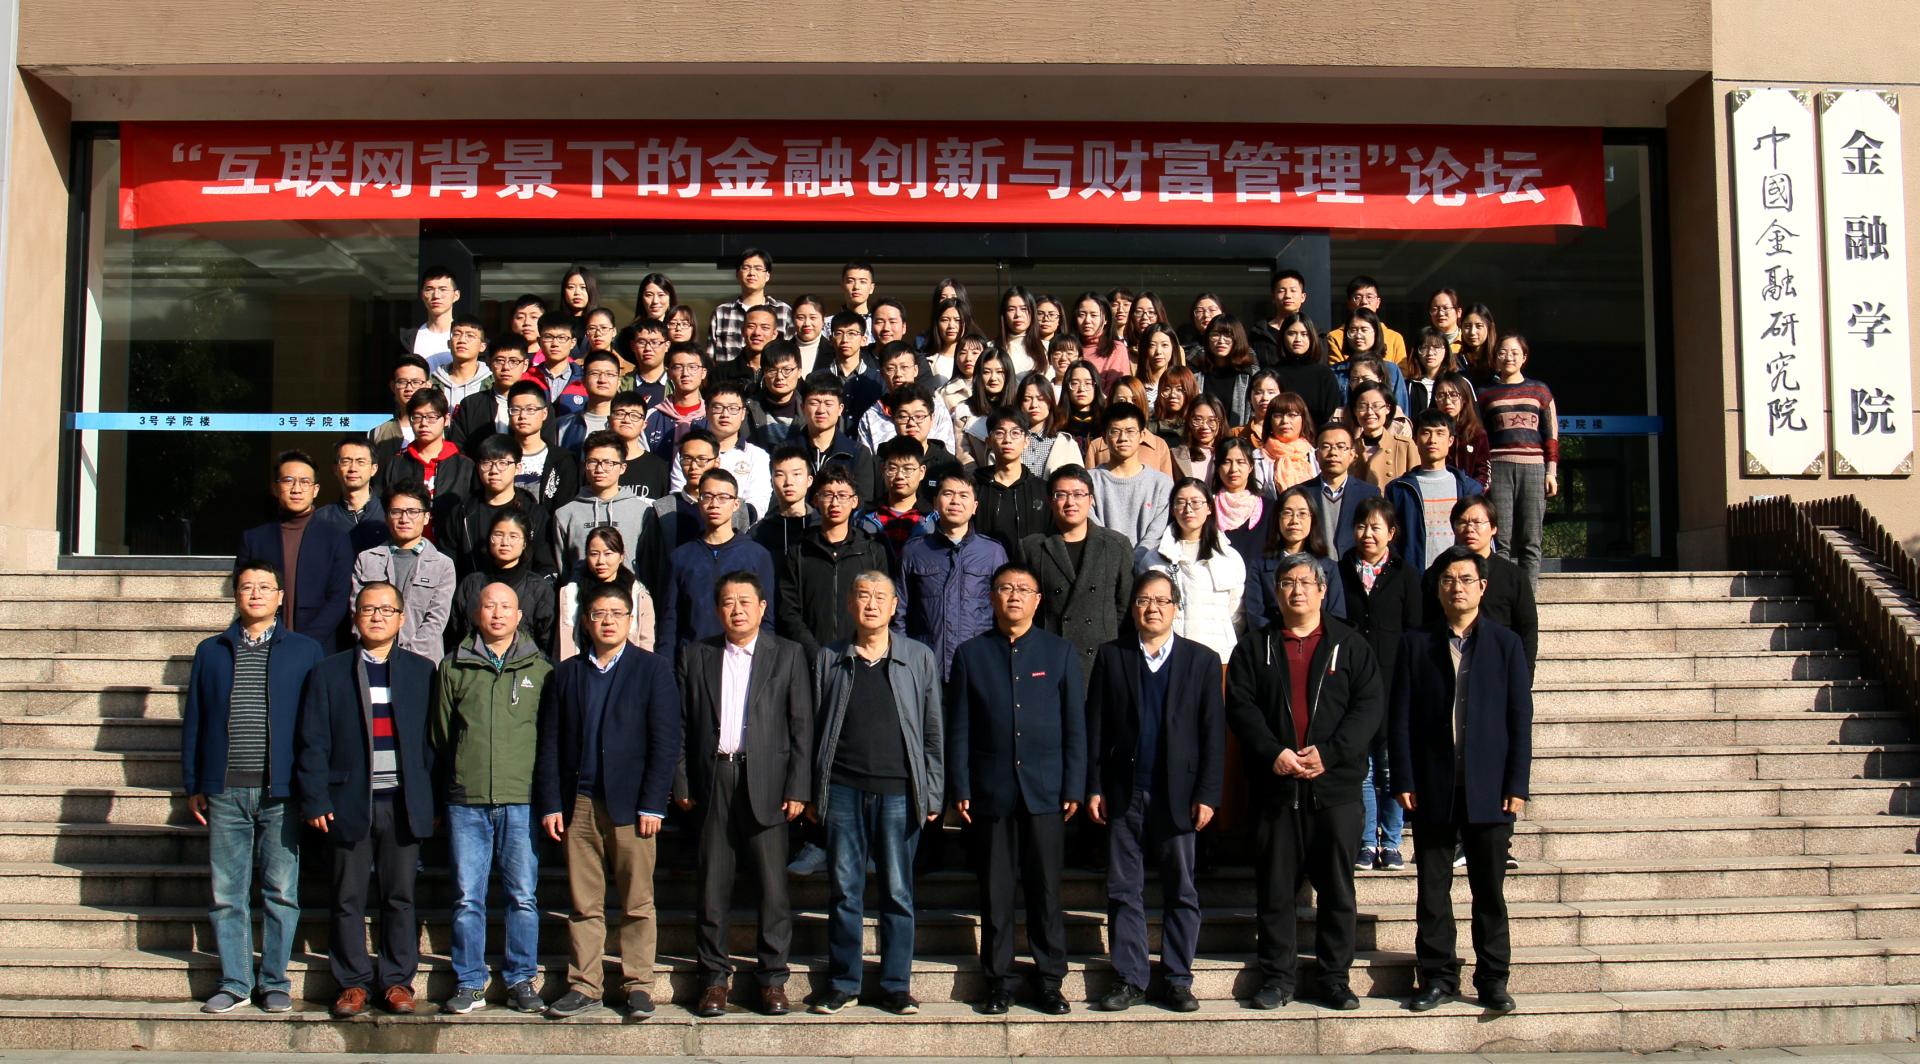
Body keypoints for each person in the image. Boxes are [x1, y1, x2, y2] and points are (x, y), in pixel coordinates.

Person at [1226, 551, 1384, 1011]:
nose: (1296, 591)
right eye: (1287, 583)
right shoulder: (1255, 647)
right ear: (1276, 592)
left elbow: (1368, 708)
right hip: (1276, 791)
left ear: (1322, 590)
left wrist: (1329, 755)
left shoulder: (1349, 645)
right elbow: (1241, 707)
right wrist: (1272, 752)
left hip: (1335, 791)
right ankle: (1278, 978)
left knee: (1337, 890)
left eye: (1305, 583)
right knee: (1276, 891)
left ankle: (1335, 978)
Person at [181, 560, 325, 1015]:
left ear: (281, 597)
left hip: (281, 792)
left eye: (265, 587)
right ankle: (235, 981)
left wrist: (312, 787)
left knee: (281, 892)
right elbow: (195, 719)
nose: (256, 594)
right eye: (247, 587)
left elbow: (316, 725)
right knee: (228, 894)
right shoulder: (211, 651)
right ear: (236, 595)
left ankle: (275, 981)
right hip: (224, 790)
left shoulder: (305, 650)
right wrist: (194, 781)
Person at [1393, 547, 1533, 1014]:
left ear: (1483, 587)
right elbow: (1401, 718)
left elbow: (1519, 719)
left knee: (1488, 891)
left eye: (1466, 579)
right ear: (1438, 589)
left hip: (1490, 788)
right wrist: (1404, 777)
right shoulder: (1416, 644)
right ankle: (1437, 976)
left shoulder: (1506, 645)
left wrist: (1517, 783)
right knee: (1432, 890)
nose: (1457, 587)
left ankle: (1493, 979)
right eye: (1449, 579)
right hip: (1433, 786)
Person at [535, 582, 682, 1020]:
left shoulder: (652, 669)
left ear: (630, 620)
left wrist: (654, 802)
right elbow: (550, 743)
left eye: (617, 613)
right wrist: (551, 802)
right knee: (584, 904)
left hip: (633, 805)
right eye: (599, 613)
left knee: (637, 902)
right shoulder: (565, 674)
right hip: (579, 803)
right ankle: (585, 984)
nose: (608, 621)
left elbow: (665, 741)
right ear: (585, 620)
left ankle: (638, 985)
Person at [945, 562, 1086, 1015]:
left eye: (1024, 589)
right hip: (991, 791)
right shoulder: (970, 654)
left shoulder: (1059, 652)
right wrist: (960, 784)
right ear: (992, 597)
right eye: (1005, 588)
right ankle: (999, 980)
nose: (1014, 596)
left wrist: (1074, 784)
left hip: (1046, 790)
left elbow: (1074, 726)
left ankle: (1050, 980)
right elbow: (959, 727)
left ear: (1037, 600)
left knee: (1046, 890)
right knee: (996, 891)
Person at [1086, 570, 1225, 1013]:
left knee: (1181, 888)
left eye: (1162, 601)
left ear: (1175, 608)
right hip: (1124, 791)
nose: (1153, 608)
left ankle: (1178, 978)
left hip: (1178, 794)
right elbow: (1096, 727)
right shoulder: (1112, 656)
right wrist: (1094, 786)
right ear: (1133, 609)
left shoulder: (1201, 661)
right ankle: (1130, 978)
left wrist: (1208, 793)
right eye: (1144, 600)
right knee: (1123, 888)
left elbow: (1213, 734)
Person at [805, 573, 944, 1016]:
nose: (871, 604)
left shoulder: (918, 657)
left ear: (894, 606)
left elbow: (932, 732)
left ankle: (895, 985)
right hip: (843, 789)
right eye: (863, 596)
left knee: (897, 892)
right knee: (844, 890)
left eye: (880, 597)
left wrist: (933, 792)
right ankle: (843, 983)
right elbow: (813, 728)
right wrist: (812, 791)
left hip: (899, 791)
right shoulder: (830, 657)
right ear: (850, 604)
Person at [296, 580, 436, 1018]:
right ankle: (352, 983)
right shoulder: (328, 671)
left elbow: (433, 744)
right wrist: (316, 798)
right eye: (369, 609)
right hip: (348, 801)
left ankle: (397, 982)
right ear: (355, 617)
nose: (377, 616)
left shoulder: (421, 671)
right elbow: (312, 740)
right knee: (347, 897)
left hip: (402, 803)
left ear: (401, 618)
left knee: (400, 897)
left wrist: (430, 799)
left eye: (386, 609)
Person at [678, 572, 814, 1018]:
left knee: (773, 889)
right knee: (712, 887)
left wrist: (798, 787)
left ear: (762, 607)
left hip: (769, 783)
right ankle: (714, 980)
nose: (737, 610)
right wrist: (681, 782)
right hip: (714, 777)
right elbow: (680, 725)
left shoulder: (787, 654)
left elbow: (801, 726)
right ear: (718, 610)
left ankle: (772, 980)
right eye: (728, 602)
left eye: (745, 601)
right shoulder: (697, 654)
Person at [432, 582, 553, 1016]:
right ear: (476, 613)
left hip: (521, 798)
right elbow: (442, 734)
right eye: (489, 606)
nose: (498, 614)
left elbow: (548, 737)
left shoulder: (541, 669)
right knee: (468, 896)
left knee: (522, 895)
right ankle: (469, 981)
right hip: (467, 800)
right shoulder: (453, 666)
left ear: (519, 616)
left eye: (506, 607)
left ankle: (521, 978)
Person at [1338, 498, 1423, 872]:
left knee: (1389, 766)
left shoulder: (1406, 574)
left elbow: (1415, 631)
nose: (1367, 534)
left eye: (1376, 527)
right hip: (1352, 683)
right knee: (1362, 767)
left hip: (1393, 683)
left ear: (1392, 532)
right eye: (1361, 526)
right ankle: (1366, 841)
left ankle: (1390, 841)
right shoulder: (1340, 570)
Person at [1021, 466, 1134, 679]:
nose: (1070, 502)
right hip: (1049, 654)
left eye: (1078, 494)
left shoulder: (1116, 545)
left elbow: (1124, 606)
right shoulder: (1031, 547)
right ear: (1050, 501)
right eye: (1061, 495)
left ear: (1091, 499)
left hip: (1102, 657)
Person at [238, 450, 354, 654]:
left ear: (315, 490)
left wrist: (304, 644)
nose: (296, 489)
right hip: (263, 645)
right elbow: (243, 590)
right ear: (275, 488)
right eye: (288, 481)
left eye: (304, 482)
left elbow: (339, 598)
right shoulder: (254, 539)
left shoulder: (336, 539)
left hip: (318, 647)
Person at [776, 465, 897, 661]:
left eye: (842, 495)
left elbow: (883, 605)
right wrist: (815, 653)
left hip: (861, 657)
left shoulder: (871, 551)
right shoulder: (799, 551)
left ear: (854, 501)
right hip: (809, 659)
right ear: (816, 500)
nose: (835, 503)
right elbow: (789, 610)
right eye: (827, 495)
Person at [900, 470, 1007, 677]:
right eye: (948, 494)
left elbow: (1003, 611)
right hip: (926, 666)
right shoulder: (914, 551)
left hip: (979, 665)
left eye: (963, 495)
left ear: (975, 506)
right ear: (935, 502)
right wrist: (905, 659)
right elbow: (900, 610)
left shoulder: (993, 552)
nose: (955, 501)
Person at [660, 469, 778, 654]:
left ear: (736, 504)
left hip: (743, 658)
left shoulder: (756, 554)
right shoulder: (681, 557)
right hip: (693, 660)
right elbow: (669, 622)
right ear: (699, 502)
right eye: (707, 497)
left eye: (723, 497)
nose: (714, 504)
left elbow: (767, 619)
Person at [1135, 477, 1246, 663]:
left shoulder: (1229, 557)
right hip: (1168, 657)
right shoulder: (1154, 559)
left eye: (1196, 502)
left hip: (1219, 655)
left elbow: (1236, 613)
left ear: (1209, 507)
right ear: (1172, 509)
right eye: (1180, 502)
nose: (1188, 509)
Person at [1479, 335, 1559, 589]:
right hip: (1498, 467)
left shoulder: (1540, 390)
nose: (1509, 357)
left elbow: (1551, 434)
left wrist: (1551, 471)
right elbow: (1481, 437)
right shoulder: (1484, 393)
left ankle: (1528, 599)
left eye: (1515, 352)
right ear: (1495, 357)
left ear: (1524, 357)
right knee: (1500, 540)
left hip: (1534, 468)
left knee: (1531, 540)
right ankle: (1501, 597)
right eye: (1503, 352)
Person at [1433, 495, 1540, 674]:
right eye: (1462, 522)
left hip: (1498, 666)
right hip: (1446, 666)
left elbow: (1527, 629)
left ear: (1493, 528)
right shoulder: (1438, 572)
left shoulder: (1513, 576)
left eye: (1477, 522)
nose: (1469, 529)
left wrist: (1525, 675)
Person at [350, 481, 457, 659]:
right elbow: (357, 611)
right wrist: (378, 651)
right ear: (386, 517)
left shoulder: (442, 565)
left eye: (413, 512)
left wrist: (406, 658)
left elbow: (436, 620)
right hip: (373, 656)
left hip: (422, 661)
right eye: (396, 512)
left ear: (426, 517)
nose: (404, 519)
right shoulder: (367, 559)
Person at [551, 431, 661, 582]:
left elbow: (650, 566)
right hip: (582, 594)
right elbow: (563, 569)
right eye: (593, 462)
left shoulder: (643, 512)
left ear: (622, 468)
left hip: (628, 593)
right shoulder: (566, 514)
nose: (599, 469)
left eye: (608, 463)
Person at [1386, 409, 1483, 576]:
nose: (1432, 440)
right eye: (1426, 433)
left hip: (1459, 578)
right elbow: (1392, 541)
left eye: (1440, 433)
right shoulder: (1399, 490)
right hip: (1414, 579)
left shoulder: (1469, 489)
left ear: (1451, 440)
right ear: (1415, 439)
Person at [451, 507, 558, 655]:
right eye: (498, 535)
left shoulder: (538, 589)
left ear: (525, 543)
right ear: (489, 539)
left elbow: (546, 642)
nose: (505, 542)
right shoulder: (471, 584)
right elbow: (456, 633)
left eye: (513, 536)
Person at [668, 380, 772, 520]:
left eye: (733, 409)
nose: (725, 414)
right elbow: (678, 494)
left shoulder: (758, 456)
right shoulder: (689, 452)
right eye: (717, 408)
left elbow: (758, 503)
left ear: (743, 413)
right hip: (689, 524)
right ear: (706, 411)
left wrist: (724, 523)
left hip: (739, 529)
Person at [1247, 485, 1348, 628]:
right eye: (1288, 513)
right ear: (1277, 518)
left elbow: (1337, 617)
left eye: (1302, 514)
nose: (1295, 520)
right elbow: (1256, 617)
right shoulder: (1260, 567)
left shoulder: (1329, 567)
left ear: (1313, 518)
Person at [554, 524, 655, 659]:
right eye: (594, 554)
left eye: (608, 554)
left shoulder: (638, 595)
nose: (601, 561)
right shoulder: (571, 595)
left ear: (621, 556)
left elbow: (646, 642)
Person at [381, 388, 475, 524]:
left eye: (431, 417)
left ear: (446, 419)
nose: (423, 423)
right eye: (417, 417)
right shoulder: (396, 464)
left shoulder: (465, 466)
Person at [1087, 403, 1173, 551]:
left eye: (1130, 431)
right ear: (1104, 437)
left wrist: (1138, 559)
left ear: (1142, 436)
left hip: (1148, 562)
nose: (1123, 438)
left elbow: (1156, 534)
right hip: (1104, 560)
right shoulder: (1089, 481)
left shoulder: (1161, 484)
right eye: (1115, 431)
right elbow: (1094, 529)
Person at [971, 408, 1051, 564]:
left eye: (1015, 433)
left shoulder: (1042, 490)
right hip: (984, 572)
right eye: (1000, 433)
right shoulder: (974, 488)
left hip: (1031, 572)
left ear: (1026, 441)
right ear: (988, 441)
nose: (1007, 440)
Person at [857, 342, 957, 453]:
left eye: (904, 367)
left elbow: (947, 453)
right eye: (891, 369)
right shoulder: (871, 416)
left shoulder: (936, 408)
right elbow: (866, 460)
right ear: (882, 374)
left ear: (915, 370)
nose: (898, 374)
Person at [796, 374, 879, 504]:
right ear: (803, 408)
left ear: (840, 409)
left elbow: (862, 503)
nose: (821, 410)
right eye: (814, 403)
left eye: (828, 403)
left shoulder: (858, 454)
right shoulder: (787, 451)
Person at [1308, 423, 1383, 562]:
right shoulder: (1302, 493)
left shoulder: (1369, 494)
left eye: (1341, 447)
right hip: (1314, 570)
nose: (1333, 453)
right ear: (1317, 455)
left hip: (1355, 570)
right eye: (1326, 446)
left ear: (1352, 454)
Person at [500, 381, 579, 510]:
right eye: (515, 410)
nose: (522, 416)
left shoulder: (562, 460)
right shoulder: (496, 458)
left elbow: (565, 508)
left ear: (544, 413)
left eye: (530, 409)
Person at [709, 248, 794, 366]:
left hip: (770, 376)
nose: (751, 273)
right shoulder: (721, 312)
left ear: (767, 275)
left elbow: (791, 354)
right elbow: (710, 357)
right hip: (728, 377)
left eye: (758, 268)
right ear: (737, 274)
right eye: (746, 268)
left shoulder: (783, 311)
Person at [449, 338, 534, 456]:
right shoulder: (471, 405)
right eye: (499, 361)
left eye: (513, 361)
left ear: (525, 365)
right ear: (489, 363)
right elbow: (458, 449)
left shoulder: (537, 405)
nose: (506, 367)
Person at [859, 436, 934, 558]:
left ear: (922, 472)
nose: (899, 476)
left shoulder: (932, 518)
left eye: (907, 469)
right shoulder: (864, 517)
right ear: (883, 470)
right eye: (893, 468)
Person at [1268, 311, 1345, 429]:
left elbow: (1331, 415)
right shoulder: (1272, 375)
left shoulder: (1325, 375)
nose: (1298, 339)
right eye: (1291, 333)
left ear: (1312, 337)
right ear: (1283, 336)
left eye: (1304, 334)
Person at [1085, 378, 1174, 475]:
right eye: (1121, 400)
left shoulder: (1159, 446)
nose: (1129, 404)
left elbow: (1166, 483)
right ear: (1111, 402)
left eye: (1134, 400)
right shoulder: (1097, 446)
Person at [315, 437, 389, 554]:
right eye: (346, 462)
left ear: (374, 469)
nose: (353, 468)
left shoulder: (389, 512)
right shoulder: (320, 518)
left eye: (361, 462)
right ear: (335, 469)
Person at [1325, 275, 1410, 370]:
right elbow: (1338, 372)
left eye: (1369, 297)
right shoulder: (1335, 337)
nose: (1364, 302)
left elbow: (1402, 373)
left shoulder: (1394, 337)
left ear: (1378, 302)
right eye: (1357, 297)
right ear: (1349, 303)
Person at [816, 312, 886, 425]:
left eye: (852, 333)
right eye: (839, 333)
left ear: (864, 340)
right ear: (830, 339)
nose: (845, 339)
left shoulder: (879, 380)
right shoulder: (816, 378)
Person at [643, 342, 710, 459]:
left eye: (692, 367)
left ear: (703, 373)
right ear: (669, 373)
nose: (685, 373)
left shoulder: (712, 416)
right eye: (678, 367)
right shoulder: (650, 417)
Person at [1212, 437, 1272, 566]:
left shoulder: (1269, 508)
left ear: (1250, 467)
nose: (1234, 469)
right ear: (1218, 467)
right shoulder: (1207, 508)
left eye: (1240, 462)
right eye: (1227, 462)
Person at [1349, 380, 1419, 488]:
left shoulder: (1404, 446)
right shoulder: (1349, 449)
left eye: (1376, 406)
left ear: (1387, 408)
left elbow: (1415, 488)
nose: (1370, 412)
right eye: (1362, 406)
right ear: (1355, 411)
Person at [1011, 373, 1085, 475]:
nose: (1034, 405)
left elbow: (1079, 481)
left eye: (1040, 399)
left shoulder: (1066, 444)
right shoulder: (1009, 440)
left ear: (1050, 402)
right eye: (1027, 399)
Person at [750, 446, 816, 558]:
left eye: (796, 474)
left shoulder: (820, 526)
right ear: (771, 481)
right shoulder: (759, 533)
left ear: (809, 480)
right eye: (780, 475)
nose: (789, 482)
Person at [555, 350, 624, 454]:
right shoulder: (563, 425)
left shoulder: (628, 425)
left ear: (618, 382)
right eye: (595, 373)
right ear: (583, 381)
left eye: (610, 374)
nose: (602, 380)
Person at [1432, 372, 1492, 490]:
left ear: (1464, 398)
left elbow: (1484, 472)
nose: (1447, 401)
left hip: (1468, 495)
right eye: (1441, 395)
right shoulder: (1429, 432)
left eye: (1453, 395)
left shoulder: (1476, 433)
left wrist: (1472, 492)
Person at [609, 390, 672, 501]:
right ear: (609, 420)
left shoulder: (659, 467)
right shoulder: (597, 463)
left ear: (644, 424)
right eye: (620, 414)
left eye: (634, 415)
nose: (626, 420)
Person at [370, 356, 433, 464]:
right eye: (402, 382)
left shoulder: (442, 429)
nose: (409, 388)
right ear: (392, 386)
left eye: (416, 382)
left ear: (428, 385)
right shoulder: (378, 433)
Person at [1254, 393, 1319, 497]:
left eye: (1292, 415)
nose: (1285, 421)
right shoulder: (1257, 457)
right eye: (1277, 416)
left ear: (1303, 419)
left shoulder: (1315, 455)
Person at [1199, 314, 1258, 426]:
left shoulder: (1249, 375)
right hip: (1203, 432)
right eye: (1215, 335)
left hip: (1238, 434)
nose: (1221, 341)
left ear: (1237, 338)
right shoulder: (1197, 373)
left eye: (1228, 335)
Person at [1246, 269, 1310, 368]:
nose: (1288, 296)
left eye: (1293, 290)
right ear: (1273, 297)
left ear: (1303, 297)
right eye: (1281, 291)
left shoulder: (1314, 334)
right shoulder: (1258, 334)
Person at [746, 342, 805, 448]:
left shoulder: (808, 411)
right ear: (763, 373)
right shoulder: (747, 409)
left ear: (799, 372)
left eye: (787, 370)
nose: (779, 377)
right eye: (772, 370)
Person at [402, 269, 460, 371]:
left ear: (456, 295)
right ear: (422, 295)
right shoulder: (408, 338)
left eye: (443, 289)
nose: (436, 296)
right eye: (429, 289)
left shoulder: (466, 338)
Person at [431, 315, 494, 407]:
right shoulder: (433, 383)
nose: (462, 340)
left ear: (482, 346)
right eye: (457, 334)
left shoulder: (492, 384)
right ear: (449, 343)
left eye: (470, 335)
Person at [1073, 290, 1130, 387]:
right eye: (1082, 315)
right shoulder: (1069, 348)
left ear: (1106, 319)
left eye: (1093, 315)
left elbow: (1116, 390)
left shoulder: (1116, 349)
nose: (1087, 320)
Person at [535, 317, 588, 418]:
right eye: (548, 337)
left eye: (562, 338)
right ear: (539, 341)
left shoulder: (585, 380)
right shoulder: (527, 379)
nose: (555, 344)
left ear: (573, 343)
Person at [1404, 327, 1457, 422]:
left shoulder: (1458, 382)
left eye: (1436, 347)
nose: (1430, 353)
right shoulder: (1408, 385)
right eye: (1424, 348)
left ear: (1446, 350)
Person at [1172, 394, 1224, 484]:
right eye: (1197, 420)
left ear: (1221, 422)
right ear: (1189, 421)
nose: (1204, 426)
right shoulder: (1175, 455)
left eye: (1212, 420)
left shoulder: (1229, 453)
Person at [623, 317, 671, 410]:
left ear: (667, 346)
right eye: (642, 342)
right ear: (632, 346)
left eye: (655, 342)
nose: (648, 348)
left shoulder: (677, 383)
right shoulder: (622, 385)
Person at [995, 285, 1045, 376]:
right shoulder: (991, 347)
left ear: (1032, 312)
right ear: (1004, 314)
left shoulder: (1046, 348)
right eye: (1011, 309)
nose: (1018, 314)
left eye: (1023, 309)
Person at [1058, 360, 1104, 454]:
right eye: (1075, 383)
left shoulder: (1106, 421)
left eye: (1088, 383)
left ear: (1096, 386)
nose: (1081, 389)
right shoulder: (1056, 421)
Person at [1179, 292, 1224, 363]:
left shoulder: (1232, 347)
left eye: (1212, 310)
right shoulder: (1184, 352)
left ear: (1222, 313)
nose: (1206, 315)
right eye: (1200, 311)